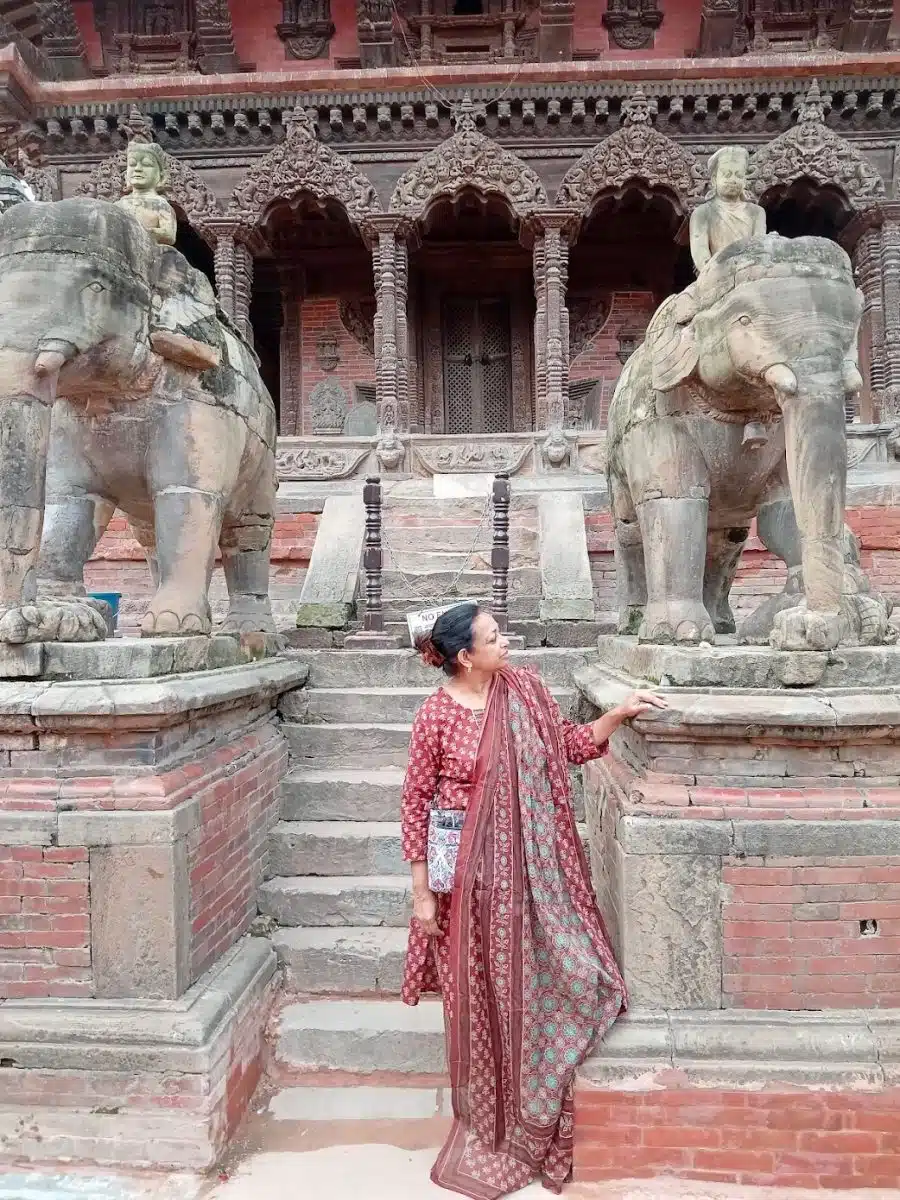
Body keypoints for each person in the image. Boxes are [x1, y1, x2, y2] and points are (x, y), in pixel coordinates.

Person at [400, 603, 666, 1198]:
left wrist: (619, 713)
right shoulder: (435, 716)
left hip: (533, 874)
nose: (507, 644)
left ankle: (537, 1088)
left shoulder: (524, 690)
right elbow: (415, 802)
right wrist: (422, 894)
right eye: (494, 638)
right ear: (465, 656)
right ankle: (494, 1113)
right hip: (467, 881)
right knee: (486, 993)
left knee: (559, 976)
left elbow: (567, 745)